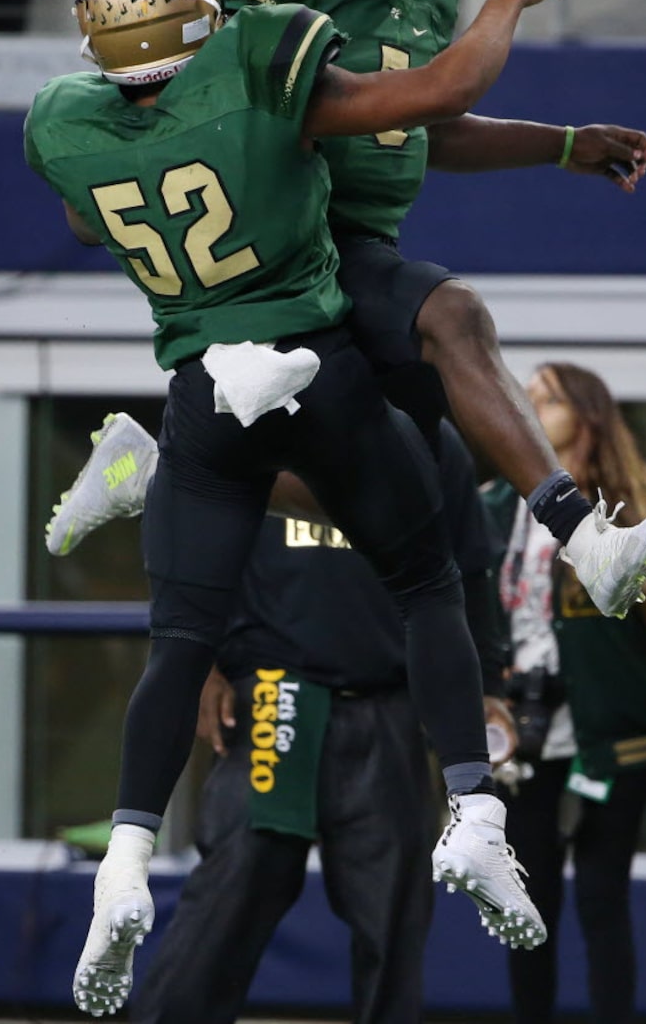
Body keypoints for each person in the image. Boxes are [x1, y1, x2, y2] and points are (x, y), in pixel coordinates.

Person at [24, 0, 558, 1016]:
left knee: (176, 643)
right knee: (425, 572)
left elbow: (88, 218)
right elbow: (433, 96)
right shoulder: (256, 57)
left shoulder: (63, 119)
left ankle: (123, 856)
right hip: (302, 346)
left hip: (200, 384)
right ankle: (476, 807)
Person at [48, 0, 646, 629]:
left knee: (404, 472)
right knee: (454, 314)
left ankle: (160, 469)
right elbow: (206, 93)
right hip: (289, 237)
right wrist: (510, 1)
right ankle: (583, 536)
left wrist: (561, 144)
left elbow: (425, 119)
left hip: (359, 241)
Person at [117, 417, 500, 1024]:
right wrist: (203, 664)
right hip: (276, 690)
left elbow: (472, 570)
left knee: (394, 917)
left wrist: (491, 684)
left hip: (388, 700)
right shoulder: (250, 418)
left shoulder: (426, 435)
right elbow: (187, 546)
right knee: (231, 895)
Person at [481, 361, 646, 1024]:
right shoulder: (492, 504)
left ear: (588, 414)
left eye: (547, 395)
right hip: (522, 736)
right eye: (526, 394)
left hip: (612, 739)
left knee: (603, 899)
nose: (530, 401)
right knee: (526, 905)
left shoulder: (640, 515)